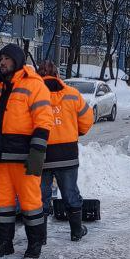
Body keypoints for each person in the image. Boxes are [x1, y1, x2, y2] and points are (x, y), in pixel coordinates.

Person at [0, 44, 54, 259]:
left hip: (24, 159)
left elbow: (44, 121)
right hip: (0, 159)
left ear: (17, 61)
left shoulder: (35, 86)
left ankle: (34, 244)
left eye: (7, 59)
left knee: (31, 204)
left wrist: (37, 153)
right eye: (1, 59)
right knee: (2, 204)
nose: (3, 63)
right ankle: (3, 243)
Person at [36, 60, 95, 241]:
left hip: (41, 155)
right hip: (67, 155)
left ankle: (41, 237)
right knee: (70, 193)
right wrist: (75, 131)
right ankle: (76, 231)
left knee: (41, 197)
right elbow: (87, 120)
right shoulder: (73, 94)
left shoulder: (34, 96)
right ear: (57, 74)